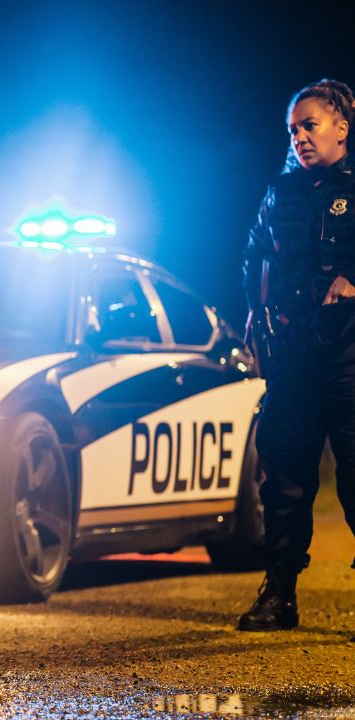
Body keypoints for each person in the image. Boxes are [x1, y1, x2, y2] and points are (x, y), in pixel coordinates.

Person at [238, 78, 354, 632]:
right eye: (293, 130)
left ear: (341, 128)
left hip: (348, 355)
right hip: (291, 355)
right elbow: (255, 256)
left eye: (310, 125)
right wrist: (255, 317)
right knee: (283, 473)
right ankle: (279, 595)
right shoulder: (279, 193)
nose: (300, 137)